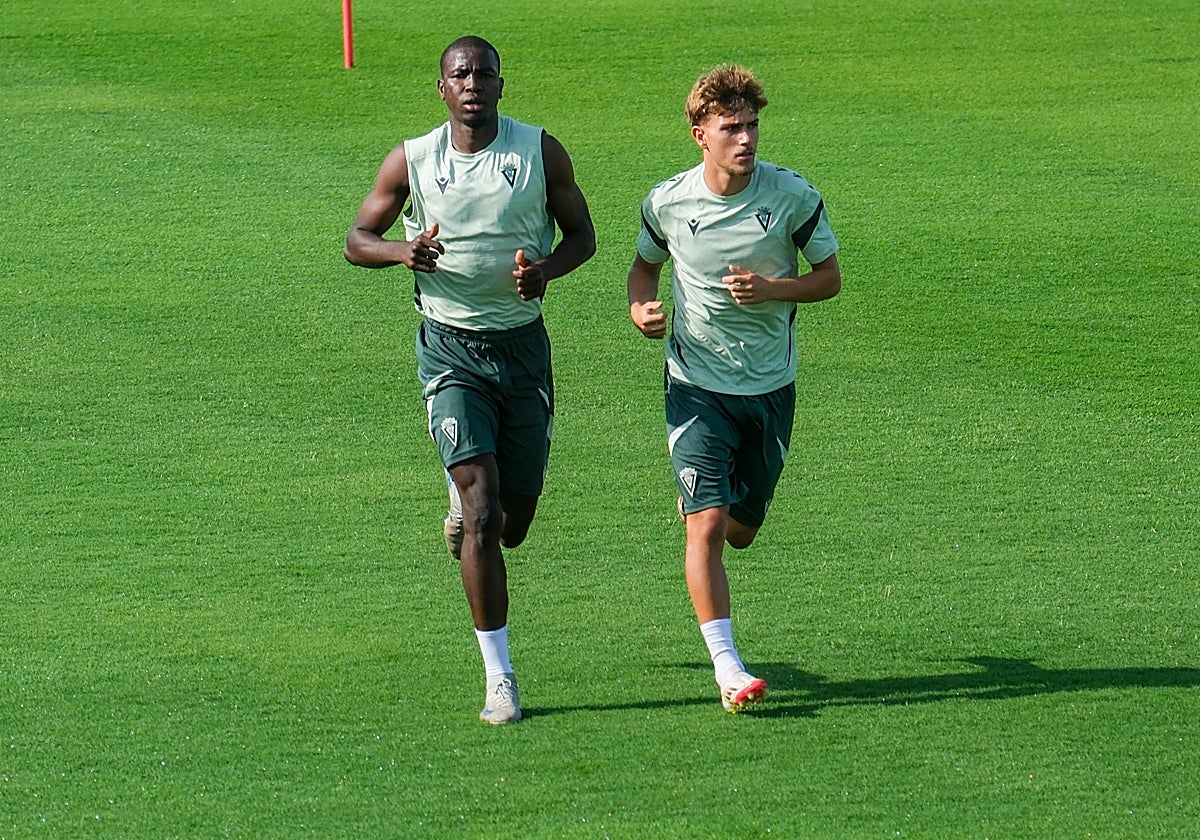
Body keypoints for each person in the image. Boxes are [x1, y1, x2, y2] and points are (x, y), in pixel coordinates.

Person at [344, 36, 596, 724]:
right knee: (484, 512)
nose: (473, 83)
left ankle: (469, 506)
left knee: (512, 524)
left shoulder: (539, 153)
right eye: (461, 74)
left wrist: (546, 269)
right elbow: (355, 239)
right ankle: (501, 678)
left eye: (484, 73)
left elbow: (583, 235)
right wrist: (403, 250)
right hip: (450, 351)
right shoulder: (414, 159)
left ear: (500, 85)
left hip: (522, 352)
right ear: (443, 88)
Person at [627, 65, 841, 713]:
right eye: (731, 129)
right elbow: (644, 266)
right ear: (700, 134)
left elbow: (829, 277)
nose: (746, 139)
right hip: (695, 386)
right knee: (709, 526)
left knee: (741, 530)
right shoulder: (669, 202)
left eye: (752, 126)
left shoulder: (793, 197)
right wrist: (642, 309)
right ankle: (728, 668)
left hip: (771, 388)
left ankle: (709, 506)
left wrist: (774, 289)